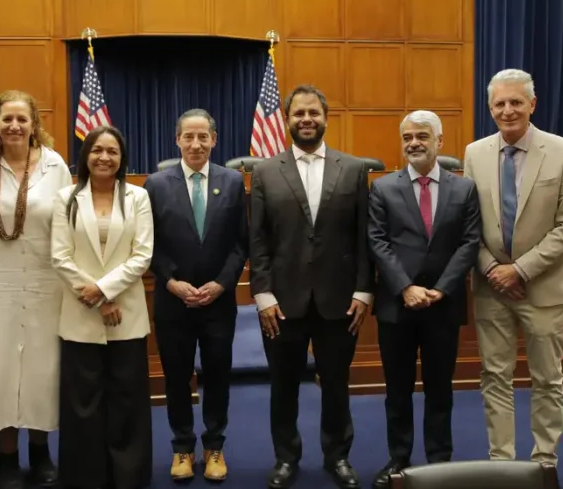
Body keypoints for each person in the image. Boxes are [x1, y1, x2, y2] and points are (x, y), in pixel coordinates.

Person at [249, 85, 373, 489]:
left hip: (339, 301)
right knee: (283, 386)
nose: (306, 119)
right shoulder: (265, 171)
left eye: (313, 113)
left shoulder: (354, 169)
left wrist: (363, 290)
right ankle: (286, 457)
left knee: (336, 384)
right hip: (282, 302)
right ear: (287, 120)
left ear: (325, 117)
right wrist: (262, 294)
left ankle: (338, 456)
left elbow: (363, 237)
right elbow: (259, 239)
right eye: (298, 113)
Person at [463, 68, 563, 465]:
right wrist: (493, 269)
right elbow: (467, 224)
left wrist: (520, 270)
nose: (508, 110)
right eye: (500, 103)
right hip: (491, 288)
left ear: (532, 104)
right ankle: (501, 461)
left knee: (547, 379)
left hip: (544, 288)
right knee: (494, 377)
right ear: (490, 107)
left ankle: (544, 460)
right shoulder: (474, 153)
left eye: (516, 102)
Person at [0, 90, 70, 489]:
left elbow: (67, 224)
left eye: (23, 118)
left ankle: (41, 454)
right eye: (7, 119)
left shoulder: (55, 165)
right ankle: (7, 459)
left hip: (45, 279)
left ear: (34, 122)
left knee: (41, 368)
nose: (15, 126)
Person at [366, 111, 481, 488]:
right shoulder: (382, 188)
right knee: (397, 390)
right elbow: (377, 242)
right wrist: (405, 287)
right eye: (408, 136)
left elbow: (469, 242)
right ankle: (398, 461)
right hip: (397, 306)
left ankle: (439, 462)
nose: (414, 142)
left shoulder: (464, 189)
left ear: (440, 141)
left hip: (442, 306)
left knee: (440, 388)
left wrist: (443, 288)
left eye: (422, 136)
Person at [143, 109, 248, 482]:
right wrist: (171, 281)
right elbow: (147, 244)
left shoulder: (233, 182)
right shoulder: (155, 184)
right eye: (189, 137)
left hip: (218, 303)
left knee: (218, 375)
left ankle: (214, 446)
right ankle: (182, 448)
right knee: (176, 377)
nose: (196, 144)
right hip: (173, 302)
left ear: (214, 140)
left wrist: (222, 283)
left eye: (203, 137)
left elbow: (240, 244)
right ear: (177, 140)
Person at [50, 126, 154, 489]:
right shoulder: (66, 198)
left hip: (126, 316)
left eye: (112, 151)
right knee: (83, 405)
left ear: (122, 158)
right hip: (80, 314)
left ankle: (128, 476)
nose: (104, 157)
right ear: (86, 155)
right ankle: (85, 478)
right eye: (97, 150)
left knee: (127, 401)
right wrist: (97, 298)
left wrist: (107, 293)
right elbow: (59, 257)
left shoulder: (138, 197)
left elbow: (142, 255)